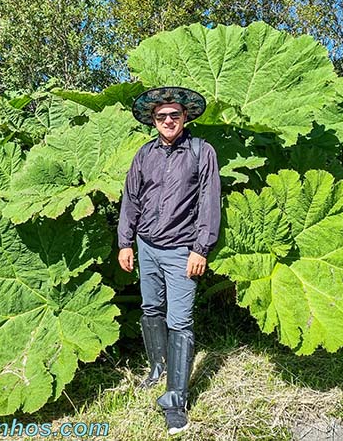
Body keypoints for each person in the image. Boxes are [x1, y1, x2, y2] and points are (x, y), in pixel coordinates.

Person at [117, 86, 221, 435]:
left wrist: (201, 248)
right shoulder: (144, 154)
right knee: (150, 309)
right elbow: (131, 199)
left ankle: (175, 400)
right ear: (153, 120)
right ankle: (157, 369)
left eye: (174, 115)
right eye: (161, 116)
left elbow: (209, 201)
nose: (168, 121)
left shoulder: (200, 151)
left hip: (181, 250)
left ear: (185, 116)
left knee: (180, 322)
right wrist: (125, 242)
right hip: (146, 246)